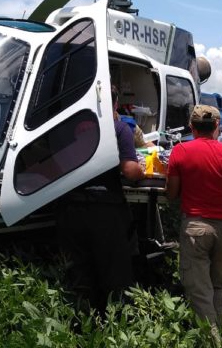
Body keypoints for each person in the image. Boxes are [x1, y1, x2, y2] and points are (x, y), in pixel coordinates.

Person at [165, 104, 222, 340]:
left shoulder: (180, 152)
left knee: (200, 291)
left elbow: (171, 194)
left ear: (191, 127)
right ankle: (217, 332)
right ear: (217, 126)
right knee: (218, 286)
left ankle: (212, 341)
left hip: (196, 228)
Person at [56, 86, 143, 313]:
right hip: (106, 210)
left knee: (80, 273)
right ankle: (115, 321)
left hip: (71, 208)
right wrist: (140, 169)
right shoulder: (118, 128)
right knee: (115, 274)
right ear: (115, 104)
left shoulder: (68, 127)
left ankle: (82, 322)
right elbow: (130, 170)